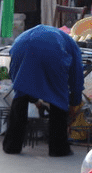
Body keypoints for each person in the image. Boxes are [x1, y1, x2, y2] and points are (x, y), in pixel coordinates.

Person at [2, 25, 84, 157]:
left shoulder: (62, 39)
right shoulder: (72, 45)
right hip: (52, 51)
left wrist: (32, 98)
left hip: (20, 46)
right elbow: (77, 78)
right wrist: (74, 103)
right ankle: (58, 148)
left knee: (21, 93)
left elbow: (16, 77)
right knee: (58, 98)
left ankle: (12, 145)